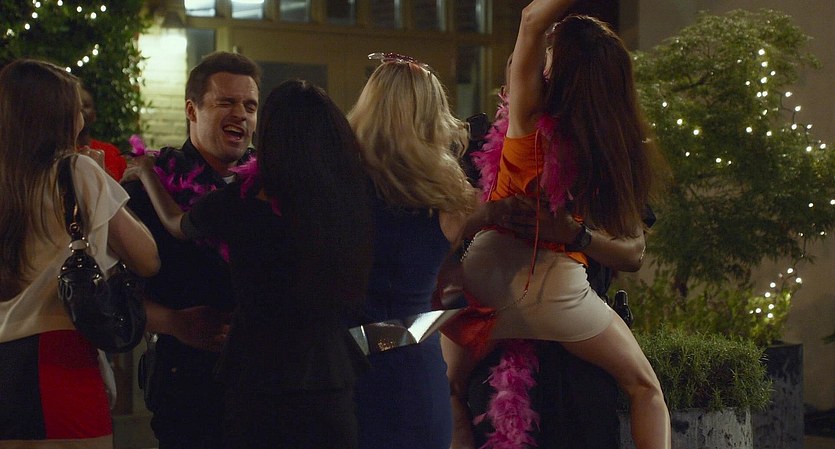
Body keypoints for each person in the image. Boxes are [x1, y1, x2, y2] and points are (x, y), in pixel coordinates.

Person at [443, 1, 672, 448]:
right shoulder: (608, 143)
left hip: (485, 281)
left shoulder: (526, 120)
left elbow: (532, 17)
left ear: (557, 69)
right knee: (646, 389)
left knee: (449, 387)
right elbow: (634, 250)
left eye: (550, 51)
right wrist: (572, 234)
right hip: (559, 293)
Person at [124, 79, 374, 449]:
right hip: (328, 376)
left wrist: (147, 172)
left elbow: (178, 225)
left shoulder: (239, 202)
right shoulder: (348, 202)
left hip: (258, 378)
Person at [0, 59, 159, 448]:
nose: (83, 117)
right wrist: (102, 180)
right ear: (55, 115)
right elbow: (147, 258)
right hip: (60, 360)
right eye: (76, 107)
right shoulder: (76, 171)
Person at [121, 51, 260, 449]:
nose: (241, 114)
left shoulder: (273, 188)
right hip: (188, 392)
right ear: (191, 110)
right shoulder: (148, 190)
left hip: (269, 391)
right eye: (226, 102)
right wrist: (174, 322)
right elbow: (114, 293)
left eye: (250, 106)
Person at [345, 53, 478, 449]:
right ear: (432, 115)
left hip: (345, 366)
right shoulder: (451, 198)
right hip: (414, 371)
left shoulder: (336, 185)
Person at [78, 85, 128, 181]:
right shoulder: (58, 154)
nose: (81, 111)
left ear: (94, 115)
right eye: (77, 107)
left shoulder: (112, 152)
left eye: (86, 106)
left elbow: (123, 188)